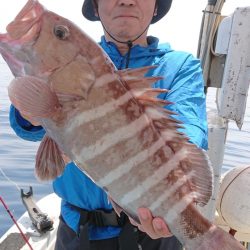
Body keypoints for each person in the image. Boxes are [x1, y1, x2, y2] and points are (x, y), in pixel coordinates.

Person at [9, 0, 208, 249]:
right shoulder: (80, 56)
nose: (126, 0)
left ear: (156, 7)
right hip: (77, 232)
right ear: (96, 6)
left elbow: (189, 129)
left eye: (60, 34)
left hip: (155, 232)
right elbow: (26, 128)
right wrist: (33, 113)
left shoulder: (180, 65)